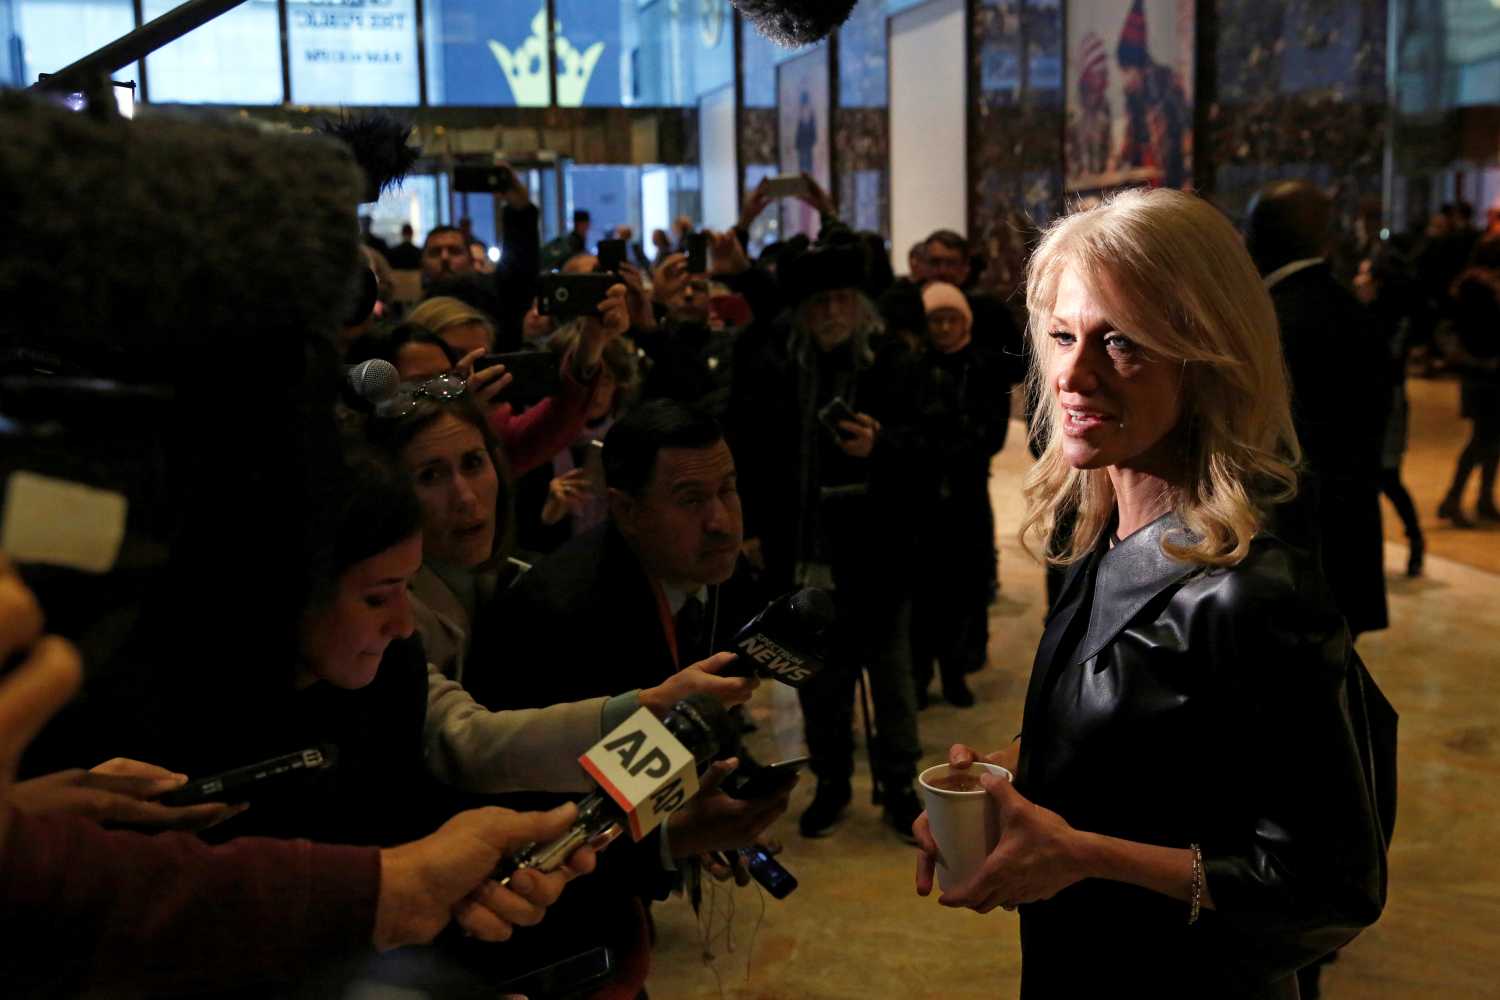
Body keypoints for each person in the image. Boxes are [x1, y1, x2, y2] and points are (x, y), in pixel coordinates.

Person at [912, 188, 1393, 998]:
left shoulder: (1249, 594)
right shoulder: (1096, 537)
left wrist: (1085, 854)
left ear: (1206, 360)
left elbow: (1332, 889)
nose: (1071, 373)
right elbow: (1156, 747)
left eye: (1122, 343)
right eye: (1062, 336)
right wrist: (1009, 779)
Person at [0, 551, 596, 995]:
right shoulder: (146, 691)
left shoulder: (393, 671)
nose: (405, 623)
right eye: (376, 595)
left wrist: (401, 890)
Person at [461, 400, 792, 996]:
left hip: (620, 916)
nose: (721, 520)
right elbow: (534, 829)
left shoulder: (715, 572)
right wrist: (675, 837)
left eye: (729, 490)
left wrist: (705, 811)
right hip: (538, 943)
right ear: (626, 509)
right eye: (691, 500)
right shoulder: (559, 619)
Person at [729, 227, 925, 842]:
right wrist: (755, 529)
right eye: (820, 303)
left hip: (879, 551)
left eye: (842, 299)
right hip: (804, 551)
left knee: (891, 682)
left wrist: (882, 446)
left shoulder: (893, 361)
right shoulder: (780, 366)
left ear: (859, 303)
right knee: (819, 683)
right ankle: (833, 783)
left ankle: (898, 787)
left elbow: (932, 447)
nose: (833, 312)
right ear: (803, 311)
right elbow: (754, 452)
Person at [1246, 180, 1389, 639]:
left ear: (1256, 237)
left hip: (1288, 557)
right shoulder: (1349, 310)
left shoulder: (1270, 323)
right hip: (1345, 546)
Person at [903, 282, 1011, 708]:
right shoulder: (914, 367)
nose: (945, 328)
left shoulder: (984, 366)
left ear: (965, 322)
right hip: (923, 496)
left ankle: (957, 670)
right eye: (937, 321)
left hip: (966, 491)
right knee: (924, 589)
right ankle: (920, 675)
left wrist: (944, 443)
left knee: (964, 584)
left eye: (952, 319)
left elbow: (991, 432)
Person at [1436, 236, 1500, 525]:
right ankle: (1454, 497)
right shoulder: (1478, 288)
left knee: (1491, 439)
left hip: (1482, 371)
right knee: (1482, 439)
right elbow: (1481, 330)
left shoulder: (1472, 285)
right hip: (1483, 372)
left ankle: (1483, 497)